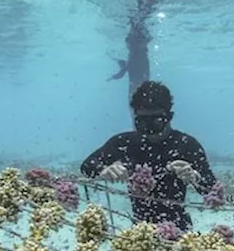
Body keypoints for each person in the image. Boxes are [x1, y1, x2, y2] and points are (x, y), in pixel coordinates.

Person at [80, 80, 218, 230]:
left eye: (157, 122)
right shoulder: (124, 143)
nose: (149, 130)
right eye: (142, 123)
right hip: (140, 230)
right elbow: (87, 167)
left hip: (179, 229)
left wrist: (195, 176)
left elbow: (212, 189)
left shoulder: (186, 145)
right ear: (135, 119)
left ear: (169, 117)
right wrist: (103, 168)